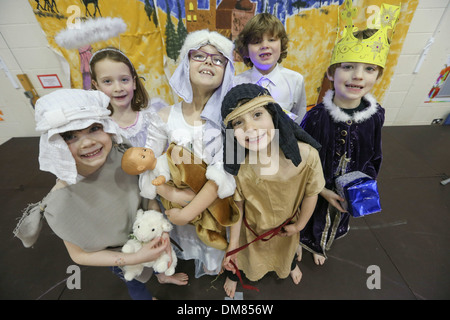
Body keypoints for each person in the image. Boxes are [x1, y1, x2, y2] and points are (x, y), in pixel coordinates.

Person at [13, 89, 187, 300]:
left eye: (94, 128)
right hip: (118, 254)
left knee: (160, 259)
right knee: (134, 282)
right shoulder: (61, 202)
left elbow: (148, 196)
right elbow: (79, 255)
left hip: (148, 233)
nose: (87, 142)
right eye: (70, 136)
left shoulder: (124, 157)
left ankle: (162, 276)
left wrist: (158, 227)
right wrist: (134, 258)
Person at [299, 0, 400, 265]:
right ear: (332, 72)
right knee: (310, 218)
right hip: (315, 190)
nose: (358, 76)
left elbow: (375, 154)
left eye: (369, 69)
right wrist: (320, 190)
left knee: (337, 218)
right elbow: (300, 159)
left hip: (350, 191)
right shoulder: (317, 116)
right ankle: (305, 242)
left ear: (378, 75)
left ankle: (324, 244)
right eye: (348, 66)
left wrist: (365, 183)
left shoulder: (376, 115)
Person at [144, 29, 237, 278]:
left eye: (218, 59)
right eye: (199, 55)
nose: (208, 61)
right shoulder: (164, 117)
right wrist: (168, 192)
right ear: (186, 62)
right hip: (178, 216)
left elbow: (227, 173)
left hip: (213, 212)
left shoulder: (233, 120)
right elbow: (148, 163)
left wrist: (188, 208)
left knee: (213, 260)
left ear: (227, 71)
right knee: (187, 249)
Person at [221, 83, 325, 299]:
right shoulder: (240, 166)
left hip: (286, 227)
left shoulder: (307, 156)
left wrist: (299, 226)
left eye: (257, 114)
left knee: (285, 254)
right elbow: (238, 208)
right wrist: (232, 248)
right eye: (238, 122)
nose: (249, 128)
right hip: (251, 230)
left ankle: (288, 266)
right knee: (244, 258)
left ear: (273, 114)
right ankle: (234, 273)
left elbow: (311, 193)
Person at [234, 13, 307, 124]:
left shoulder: (295, 80)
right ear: (246, 50)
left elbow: (300, 124)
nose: (265, 45)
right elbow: (229, 124)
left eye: (272, 40)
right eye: (257, 42)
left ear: (281, 45)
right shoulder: (235, 84)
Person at [89, 47, 153, 147]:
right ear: (97, 85)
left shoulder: (152, 118)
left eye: (124, 80)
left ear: (134, 82)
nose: (118, 88)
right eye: (107, 81)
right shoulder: (98, 126)